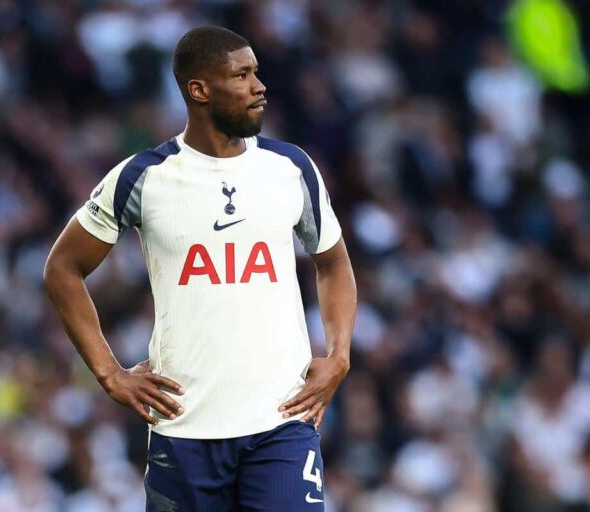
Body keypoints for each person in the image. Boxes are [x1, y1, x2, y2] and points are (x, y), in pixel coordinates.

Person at [44, 26, 357, 511]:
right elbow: (62, 268)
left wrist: (338, 355)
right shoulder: (144, 177)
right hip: (185, 429)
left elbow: (333, 263)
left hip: (281, 424)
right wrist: (109, 373)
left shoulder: (290, 168)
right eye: (242, 75)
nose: (259, 86)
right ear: (200, 89)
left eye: (257, 73)